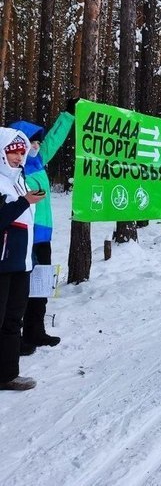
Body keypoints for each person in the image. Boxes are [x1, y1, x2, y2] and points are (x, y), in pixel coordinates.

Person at [10, 112, 74, 352]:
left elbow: (54, 141)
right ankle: (15, 338)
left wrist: (68, 116)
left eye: (38, 142)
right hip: (24, 236)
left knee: (41, 285)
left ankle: (35, 331)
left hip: (43, 235)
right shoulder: (15, 168)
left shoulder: (37, 161)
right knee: (20, 289)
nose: (37, 146)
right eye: (32, 142)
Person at [0, 129, 46, 390]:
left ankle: (7, 374)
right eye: (13, 152)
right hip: (2, 263)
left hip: (21, 262)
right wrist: (23, 202)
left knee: (12, 320)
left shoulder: (19, 179)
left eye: (21, 152)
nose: (19, 157)